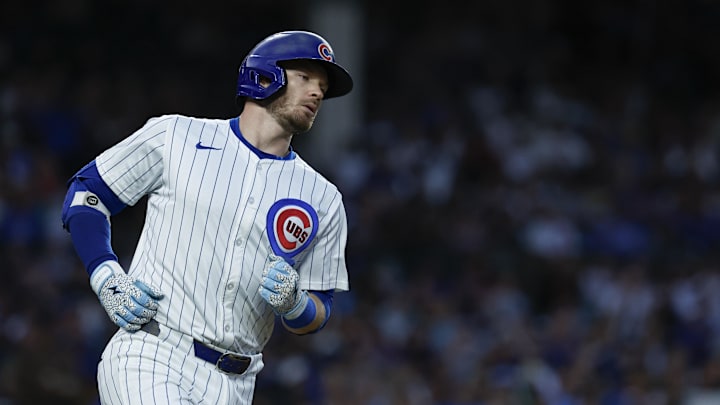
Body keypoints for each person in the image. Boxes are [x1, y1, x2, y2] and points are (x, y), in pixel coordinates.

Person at [61, 30, 353, 404]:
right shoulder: (177, 136)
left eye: (323, 87)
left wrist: (296, 303)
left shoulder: (324, 198)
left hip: (236, 384)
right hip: (153, 352)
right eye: (305, 78)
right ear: (265, 76)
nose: (317, 93)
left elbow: (321, 308)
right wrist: (106, 275)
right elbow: (86, 194)